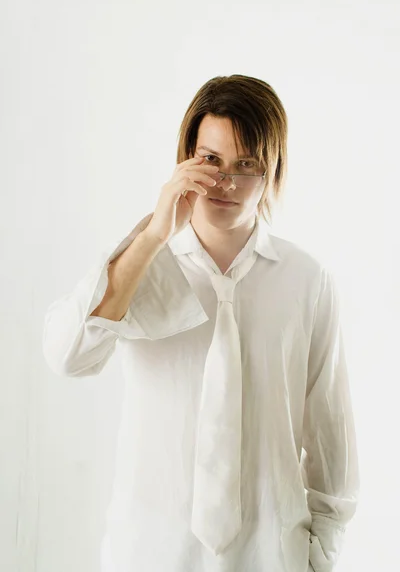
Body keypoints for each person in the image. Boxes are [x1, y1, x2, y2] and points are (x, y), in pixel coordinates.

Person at [42, 74, 359, 572]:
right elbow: (68, 357)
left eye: (246, 165)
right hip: (149, 554)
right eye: (210, 161)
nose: (225, 183)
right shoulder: (141, 264)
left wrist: (319, 556)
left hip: (271, 555)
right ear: (186, 159)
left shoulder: (308, 280)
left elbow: (329, 437)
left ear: (272, 171)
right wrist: (151, 236)